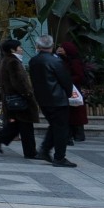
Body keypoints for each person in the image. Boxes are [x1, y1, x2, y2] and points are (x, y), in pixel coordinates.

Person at [29, 34, 76, 167]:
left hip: (43, 99)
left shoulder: (33, 61)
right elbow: (66, 81)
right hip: (57, 99)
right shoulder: (55, 61)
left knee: (55, 125)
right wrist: (68, 94)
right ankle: (59, 157)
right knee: (61, 129)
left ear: (38, 46)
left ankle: (44, 150)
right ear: (52, 45)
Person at [0, 38, 39, 159]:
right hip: (19, 99)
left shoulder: (6, 60)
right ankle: (30, 152)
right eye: (19, 47)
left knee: (17, 124)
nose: (21, 49)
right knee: (26, 126)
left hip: (13, 98)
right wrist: (28, 94)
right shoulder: (13, 62)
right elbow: (18, 81)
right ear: (13, 49)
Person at [59, 41, 88, 142]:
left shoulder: (75, 62)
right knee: (70, 112)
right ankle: (70, 135)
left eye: (62, 48)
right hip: (66, 89)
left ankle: (79, 135)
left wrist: (67, 80)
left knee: (76, 111)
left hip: (74, 90)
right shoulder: (62, 60)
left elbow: (79, 76)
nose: (59, 49)